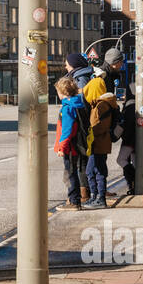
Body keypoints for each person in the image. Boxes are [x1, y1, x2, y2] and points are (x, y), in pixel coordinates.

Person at [54, 75, 89, 210]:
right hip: (78, 144)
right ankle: (76, 199)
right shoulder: (78, 103)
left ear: (63, 92)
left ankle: (74, 201)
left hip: (70, 146)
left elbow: (67, 130)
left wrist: (62, 147)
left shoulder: (67, 108)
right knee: (74, 171)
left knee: (70, 173)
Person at [64, 52, 95, 201]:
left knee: (79, 160)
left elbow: (82, 101)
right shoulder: (79, 76)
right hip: (82, 123)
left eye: (67, 63)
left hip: (81, 124)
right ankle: (84, 191)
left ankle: (82, 194)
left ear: (74, 65)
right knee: (82, 159)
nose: (65, 66)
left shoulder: (80, 78)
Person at [117, 89, 143, 195]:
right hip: (140, 139)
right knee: (135, 162)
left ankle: (133, 180)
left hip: (129, 139)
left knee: (121, 159)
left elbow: (125, 124)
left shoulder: (129, 106)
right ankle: (136, 185)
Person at [86, 87, 118, 210]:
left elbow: (99, 126)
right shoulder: (104, 104)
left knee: (95, 171)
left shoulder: (102, 105)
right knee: (97, 170)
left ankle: (99, 198)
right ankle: (96, 197)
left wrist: (89, 133)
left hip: (98, 143)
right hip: (101, 143)